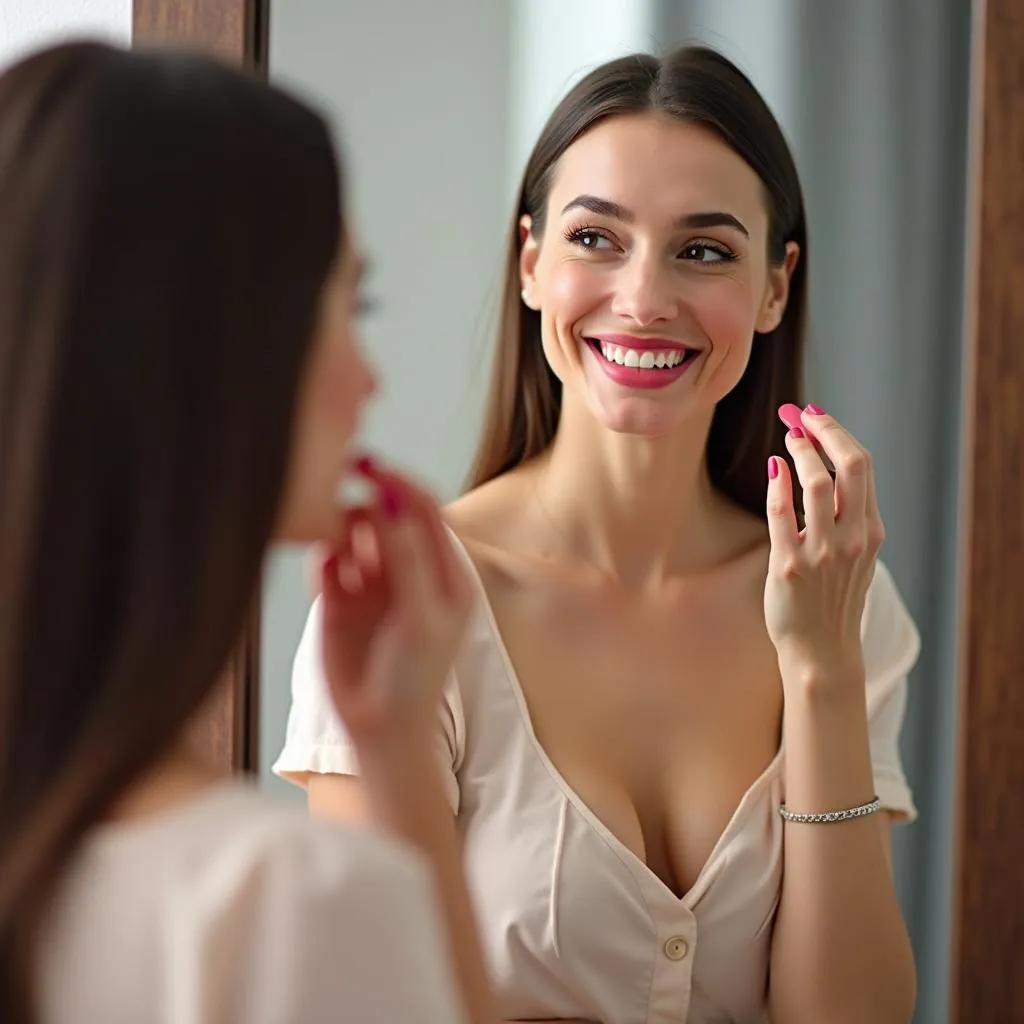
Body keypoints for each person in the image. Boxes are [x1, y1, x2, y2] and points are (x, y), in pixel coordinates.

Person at [277, 46, 919, 1024]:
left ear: (775, 286)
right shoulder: (406, 601)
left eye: (702, 249)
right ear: (530, 262)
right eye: (596, 239)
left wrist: (822, 670)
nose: (643, 298)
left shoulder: (838, 600)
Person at [0, 41, 497, 1024]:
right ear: (219, 354)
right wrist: (394, 752)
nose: (369, 380)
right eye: (346, 309)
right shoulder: (285, 903)